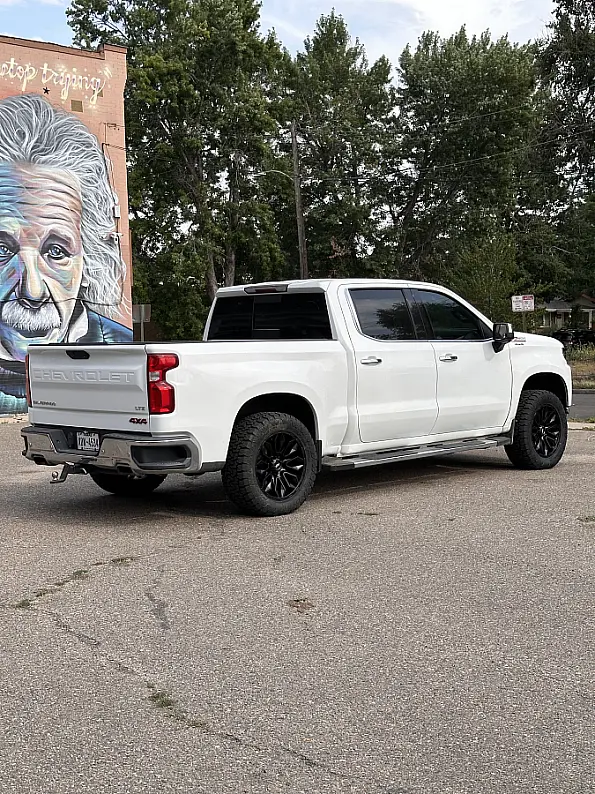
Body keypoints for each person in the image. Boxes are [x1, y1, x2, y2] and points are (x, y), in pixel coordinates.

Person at [0, 93, 132, 413]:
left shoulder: (120, 353)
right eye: (2, 249)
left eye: (56, 251)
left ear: (89, 260)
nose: (32, 290)